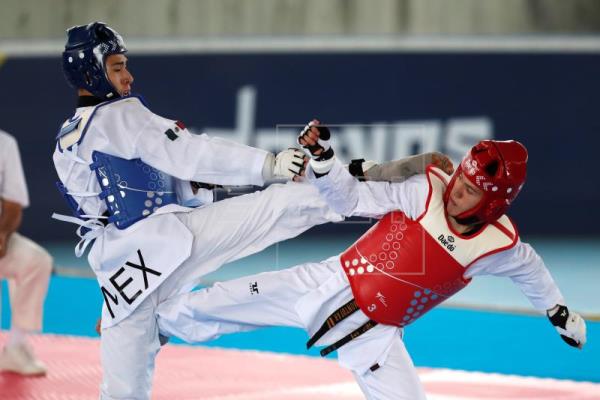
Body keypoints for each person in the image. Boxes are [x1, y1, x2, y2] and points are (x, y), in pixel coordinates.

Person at [53, 22, 450, 399]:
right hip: (167, 245)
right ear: (92, 72)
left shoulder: (67, 139)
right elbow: (190, 152)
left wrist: (113, 299)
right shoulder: (120, 115)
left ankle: (367, 179)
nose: (129, 77)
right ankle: (378, 181)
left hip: (127, 271)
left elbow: (117, 209)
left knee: (124, 391)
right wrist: (267, 165)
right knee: (283, 206)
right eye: (118, 67)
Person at [155, 123, 587, 400]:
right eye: (461, 180)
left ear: (495, 203)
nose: (457, 191)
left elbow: (529, 268)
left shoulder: (496, 245)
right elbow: (350, 198)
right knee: (221, 301)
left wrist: (557, 310)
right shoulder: (424, 190)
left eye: (473, 190)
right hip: (327, 283)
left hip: (377, 339)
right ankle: (151, 323)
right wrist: (327, 163)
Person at [0, 129, 53, 376]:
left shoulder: (5, 143)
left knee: (37, 261)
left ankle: (16, 346)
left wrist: (3, 235)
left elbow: (13, 203)